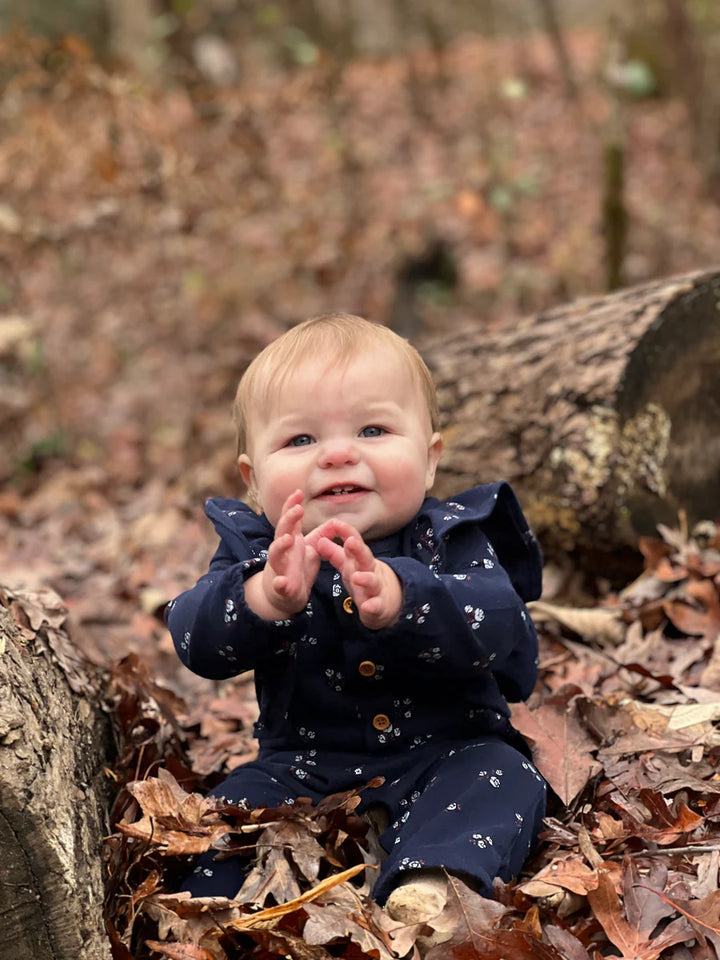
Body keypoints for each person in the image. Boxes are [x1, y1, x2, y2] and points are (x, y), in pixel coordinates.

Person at [165, 313, 546, 942]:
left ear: (429, 460)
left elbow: (503, 630)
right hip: (302, 768)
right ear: (253, 479)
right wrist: (263, 597)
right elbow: (194, 639)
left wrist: (408, 600)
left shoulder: (450, 537)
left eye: (373, 429)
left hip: (444, 751)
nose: (339, 453)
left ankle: (431, 885)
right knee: (227, 813)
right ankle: (208, 920)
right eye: (300, 440)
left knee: (504, 776)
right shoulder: (260, 550)